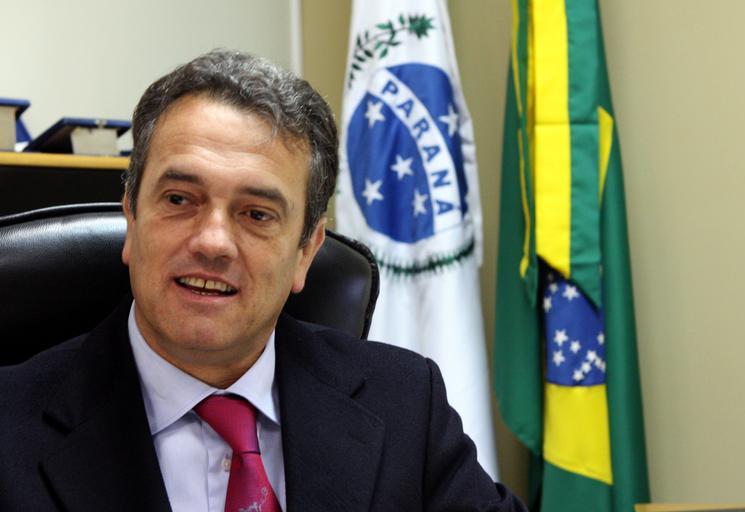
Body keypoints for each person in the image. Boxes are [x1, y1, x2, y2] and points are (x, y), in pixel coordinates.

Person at [0, 50, 526, 511]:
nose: (213, 242)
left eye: (256, 214)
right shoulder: (9, 431)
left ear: (306, 252)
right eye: (180, 199)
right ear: (132, 220)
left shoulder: (406, 404)